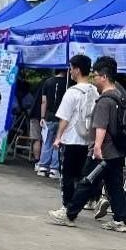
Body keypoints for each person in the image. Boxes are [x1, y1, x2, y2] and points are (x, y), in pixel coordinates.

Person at [48, 56, 126, 232]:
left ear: (104, 77)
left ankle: (69, 214)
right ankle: (120, 220)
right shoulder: (120, 96)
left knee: (87, 182)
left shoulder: (105, 100)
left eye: (96, 75)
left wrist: (97, 147)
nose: (94, 79)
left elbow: (101, 126)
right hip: (117, 150)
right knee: (114, 186)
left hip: (103, 151)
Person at [51, 55, 97, 212]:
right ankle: (82, 203)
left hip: (71, 139)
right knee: (81, 175)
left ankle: (67, 208)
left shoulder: (72, 92)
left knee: (67, 176)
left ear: (77, 70)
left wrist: (58, 137)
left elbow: (64, 118)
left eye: (71, 68)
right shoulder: (95, 91)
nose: (70, 71)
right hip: (87, 140)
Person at [37, 70, 67, 179]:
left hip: (49, 116)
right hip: (62, 117)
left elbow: (44, 101)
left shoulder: (48, 82)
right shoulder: (68, 83)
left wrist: (42, 117)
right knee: (58, 142)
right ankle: (54, 169)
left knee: (47, 141)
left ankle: (43, 166)